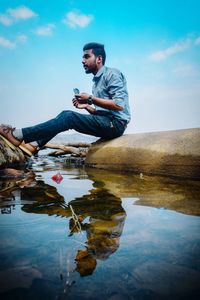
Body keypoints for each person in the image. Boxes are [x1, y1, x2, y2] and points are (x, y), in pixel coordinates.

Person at [0, 42, 131, 156]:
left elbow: (119, 105)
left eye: (87, 56)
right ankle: (34, 144)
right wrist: (87, 106)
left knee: (68, 117)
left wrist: (90, 98)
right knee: (65, 115)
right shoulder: (96, 83)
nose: (82, 61)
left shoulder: (112, 74)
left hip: (116, 124)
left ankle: (17, 135)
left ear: (99, 59)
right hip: (108, 121)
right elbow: (103, 114)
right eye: (82, 57)